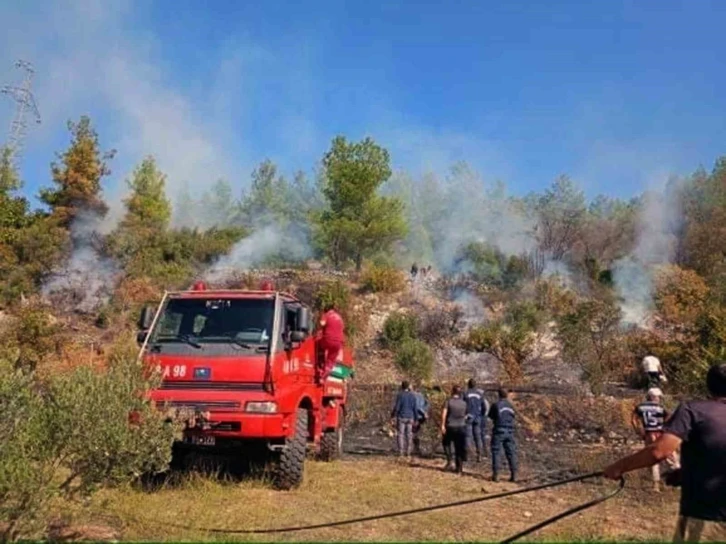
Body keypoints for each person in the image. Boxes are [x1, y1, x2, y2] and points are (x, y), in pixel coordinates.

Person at [604, 364, 726, 542]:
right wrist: (687, 473)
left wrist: (618, 467)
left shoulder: (693, 410)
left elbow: (658, 452)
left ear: (708, 385)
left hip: (707, 517)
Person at [632, 388, 675, 491]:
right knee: (670, 457)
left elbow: (633, 419)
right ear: (654, 397)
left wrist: (638, 430)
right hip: (660, 433)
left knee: (653, 459)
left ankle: (655, 485)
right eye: (658, 397)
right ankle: (680, 480)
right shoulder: (660, 407)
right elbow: (669, 417)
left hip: (649, 434)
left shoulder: (640, 407)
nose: (659, 399)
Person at [488, 388, 518, 482]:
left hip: (499, 430)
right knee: (511, 452)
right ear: (507, 395)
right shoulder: (511, 406)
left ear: (499, 395)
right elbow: (513, 416)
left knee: (496, 452)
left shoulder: (496, 405)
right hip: (510, 431)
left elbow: (491, 416)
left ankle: (496, 475)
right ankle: (514, 474)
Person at [441, 385, 468, 474]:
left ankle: (449, 460)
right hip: (461, 427)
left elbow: (444, 414)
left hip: (450, 426)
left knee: (446, 443)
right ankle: (459, 468)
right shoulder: (464, 403)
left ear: (452, 392)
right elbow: (466, 415)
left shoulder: (448, 401)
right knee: (459, 447)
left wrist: (442, 425)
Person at [390, 381, 418, 458]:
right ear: (408, 387)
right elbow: (415, 408)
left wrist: (393, 415)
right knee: (409, 434)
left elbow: (397, 407)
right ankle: (408, 452)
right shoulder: (413, 396)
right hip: (410, 417)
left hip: (402, 416)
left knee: (401, 434)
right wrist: (416, 418)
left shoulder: (400, 395)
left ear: (402, 387)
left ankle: (401, 452)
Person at [318, 303, 345, 381]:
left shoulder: (327, 315)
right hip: (338, 343)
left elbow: (322, 323)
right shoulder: (340, 318)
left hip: (328, 340)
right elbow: (341, 329)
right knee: (330, 361)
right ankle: (323, 377)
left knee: (318, 345)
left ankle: (320, 363)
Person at [464, 378, 489, 462]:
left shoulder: (466, 393)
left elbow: (463, 405)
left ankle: (467, 455)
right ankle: (479, 455)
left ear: (468, 385)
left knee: (468, 436)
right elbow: (484, 407)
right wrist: (481, 415)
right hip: (478, 417)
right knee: (478, 437)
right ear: (475, 385)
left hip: (469, 416)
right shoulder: (480, 394)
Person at [412, 384, 430, 457]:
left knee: (413, 432)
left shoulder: (414, 396)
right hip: (421, 416)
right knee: (416, 432)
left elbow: (417, 407)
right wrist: (425, 411)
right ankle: (416, 448)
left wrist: (423, 412)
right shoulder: (422, 395)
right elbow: (427, 403)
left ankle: (415, 448)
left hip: (416, 416)